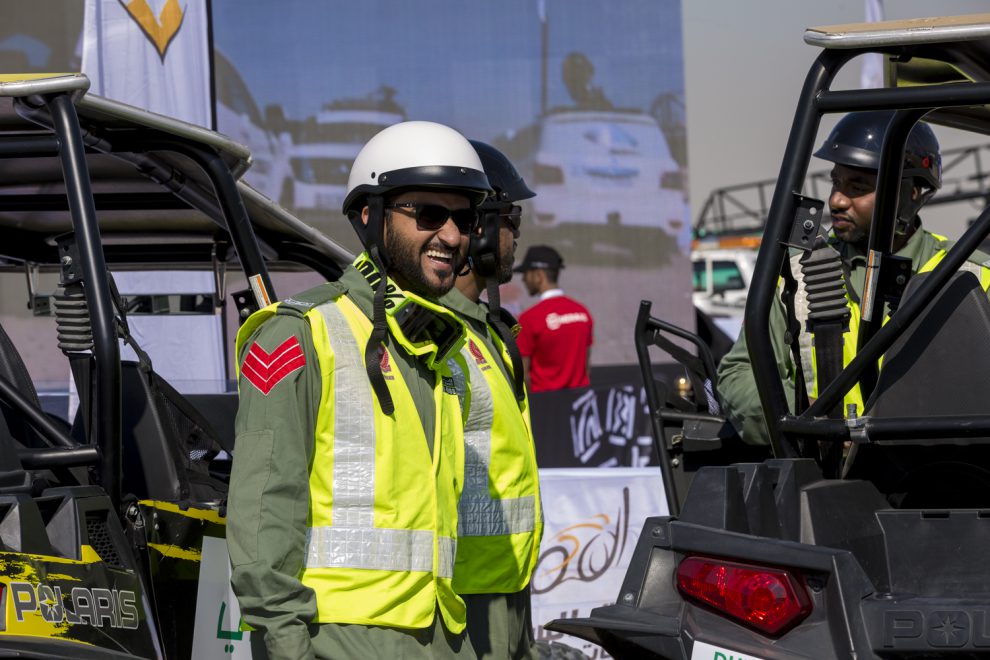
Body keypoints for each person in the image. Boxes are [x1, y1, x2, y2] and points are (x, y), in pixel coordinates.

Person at [227, 120, 493, 659]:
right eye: (428, 214)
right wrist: (286, 645)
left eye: (463, 218)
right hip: (335, 642)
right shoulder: (301, 333)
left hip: (442, 641)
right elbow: (264, 515)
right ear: (370, 216)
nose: (450, 234)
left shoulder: (443, 356)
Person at [717, 110, 990, 446]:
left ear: (913, 192)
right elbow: (739, 374)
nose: (837, 200)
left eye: (857, 187)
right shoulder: (794, 275)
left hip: (942, 475)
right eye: (836, 182)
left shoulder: (974, 276)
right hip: (828, 478)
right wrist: (802, 415)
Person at [440, 141, 542, 659]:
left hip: (506, 582)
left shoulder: (486, 332)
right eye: (510, 217)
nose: (517, 232)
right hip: (461, 601)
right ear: (476, 226)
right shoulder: (433, 336)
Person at [514, 246, 594, 392]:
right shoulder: (583, 313)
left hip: (545, 406)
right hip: (580, 406)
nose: (524, 279)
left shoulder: (527, 319)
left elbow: (522, 374)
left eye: (526, 273)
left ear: (538, 275)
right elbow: (586, 368)